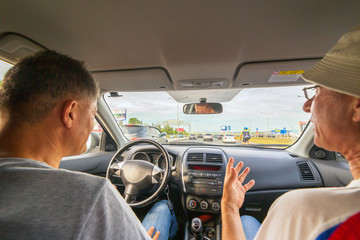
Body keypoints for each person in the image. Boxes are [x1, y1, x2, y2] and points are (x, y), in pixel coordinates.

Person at [0, 51, 177, 240]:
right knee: (162, 209)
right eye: (93, 114)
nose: (93, 124)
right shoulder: (90, 196)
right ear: (70, 113)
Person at [221, 23, 360, 240]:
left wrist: (229, 207)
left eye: (317, 90)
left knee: (246, 220)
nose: (307, 106)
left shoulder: (307, 214)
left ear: (357, 106)